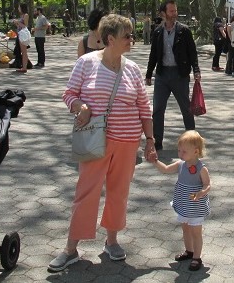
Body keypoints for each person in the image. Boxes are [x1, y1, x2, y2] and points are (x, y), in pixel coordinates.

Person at [48, 14, 154, 273]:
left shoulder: (132, 69)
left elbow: (144, 107)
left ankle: (112, 241)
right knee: (87, 191)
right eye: (126, 36)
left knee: (119, 192)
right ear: (110, 39)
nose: (132, 40)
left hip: (127, 141)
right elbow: (69, 93)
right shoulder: (86, 63)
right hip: (95, 139)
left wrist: (150, 140)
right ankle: (71, 248)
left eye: (132, 35)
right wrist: (80, 106)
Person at [152, 129, 211, 272]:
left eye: (184, 151)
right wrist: (155, 161)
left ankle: (197, 257)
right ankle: (189, 251)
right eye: (179, 150)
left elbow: (207, 184)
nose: (180, 154)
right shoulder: (180, 164)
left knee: (196, 232)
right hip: (184, 203)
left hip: (195, 206)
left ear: (196, 152)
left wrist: (202, 192)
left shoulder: (201, 168)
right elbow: (166, 169)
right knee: (185, 229)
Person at [145, 0, 201, 151]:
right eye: (171, 11)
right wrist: (149, 74)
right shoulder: (158, 32)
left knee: (186, 109)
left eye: (175, 10)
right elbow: (153, 55)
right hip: (162, 75)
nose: (174, 13)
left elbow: (192, 53)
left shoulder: (184, 31)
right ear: (163, 14)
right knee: (158, 109)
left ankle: (193, 141)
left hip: (179, 75)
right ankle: (157, 141)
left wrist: (196, 70)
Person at [13, 3, 31, 73]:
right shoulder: (21, 16)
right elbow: (20, 26)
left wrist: (18, 22)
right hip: (20, 33)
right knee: (22, 51)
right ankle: (24, 66)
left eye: (19, 7)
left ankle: (24, 67)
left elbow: (25, 25)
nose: (18, 9)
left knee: (24, 51)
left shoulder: (26, 15)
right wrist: (16, 24)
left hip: (23, 34)